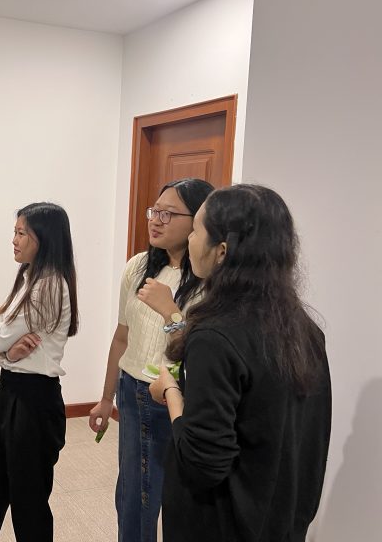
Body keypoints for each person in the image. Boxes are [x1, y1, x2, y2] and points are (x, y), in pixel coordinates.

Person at [149, 184, 332, 542]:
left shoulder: (214, 337)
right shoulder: (304, 330)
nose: (190, 240)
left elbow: (202, 462)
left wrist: (170, 390)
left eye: (196, 230)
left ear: (221, 251)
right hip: (278, 519)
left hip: (220, 524)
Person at [88, 178, 214, 542]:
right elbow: (122, 337)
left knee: (161, 495)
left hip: (173, 397)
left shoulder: (208, 279)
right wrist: (106, 398)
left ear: (198, 221)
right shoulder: (138, 266)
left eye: (168, 213)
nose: (156, 220)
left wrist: (170, 310)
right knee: (132, 493)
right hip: (131, 391)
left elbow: (197, 354)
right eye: (154, 211)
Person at [0, 202, 79, 542]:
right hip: (10, 390)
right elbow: (4, 344)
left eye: (21, 233)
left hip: (33, 401)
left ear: (44, 239)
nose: (13, 240)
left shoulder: (49, 286)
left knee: (28, 501)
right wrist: (4, 351)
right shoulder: (30, 277)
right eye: (14, 232)